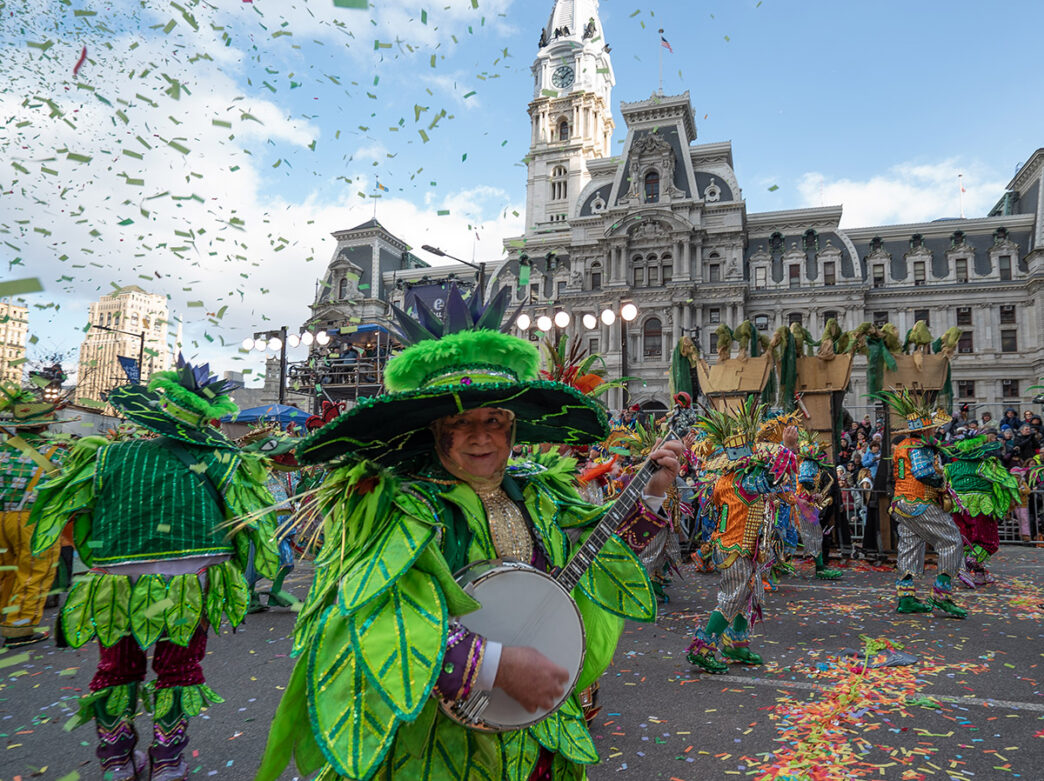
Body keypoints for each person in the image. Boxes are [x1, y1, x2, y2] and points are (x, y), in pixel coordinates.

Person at [255, 285, 682, 781]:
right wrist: (492, 665)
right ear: (436, 430)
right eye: (462, 422)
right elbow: (372, 617)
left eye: (494, 421)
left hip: (535, 737)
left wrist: (649, 492)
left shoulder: (539, 496)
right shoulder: (403, 506)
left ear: (513, 429)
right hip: (439, 740)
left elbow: (596, 561)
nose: (481, 436)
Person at [30, 357, 283, 781]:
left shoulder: (108, 456)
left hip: (115, 582)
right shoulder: (224, 459)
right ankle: (167, 761)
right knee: (179, 668)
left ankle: (116, 761)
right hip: (192, 579)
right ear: (206, 420)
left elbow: (74, 515)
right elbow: (250, 525)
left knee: (115, 667)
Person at [685, 399, 800, 673]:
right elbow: (772, 478)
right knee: (732, 598)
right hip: (736, 547)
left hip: (735, 546)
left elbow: (770, 489)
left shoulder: (726, 480)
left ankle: (737, 645)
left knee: (746, 595)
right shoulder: (744, 480)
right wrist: (787, 448)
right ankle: (702, 647)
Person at [876, 389, 967, 618]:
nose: (936, 430)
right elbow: (923, 472)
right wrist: (941, 483)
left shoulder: (903, 445)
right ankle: (941, 595)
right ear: (925, 429)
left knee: (910, 545)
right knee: (951, 541)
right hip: (919, 502)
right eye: (933, 427)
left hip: (901, 504)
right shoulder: (919, 447)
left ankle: (906, 598)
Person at [0, 386, 66, 647]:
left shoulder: (3, 452)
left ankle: (6, 614)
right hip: (35, 521)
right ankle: (21, 628)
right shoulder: (58, 454)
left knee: (6, 569)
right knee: (33, 572)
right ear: (43, 427)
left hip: (3, 517)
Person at [943, 433, 1021, 587]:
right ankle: (969, 563)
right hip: (981, 508)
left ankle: (979, 574)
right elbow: (1005, 482)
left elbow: (945, 486)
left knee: (967, 540)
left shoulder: (950, 467)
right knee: (988, 542)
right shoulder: (985, 465)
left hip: (959, 509)